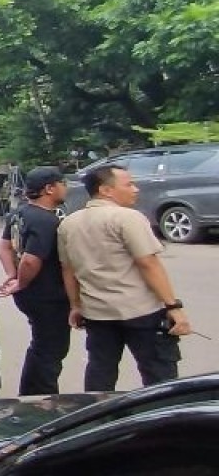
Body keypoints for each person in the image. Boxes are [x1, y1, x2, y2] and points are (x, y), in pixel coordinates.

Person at [58, 165, 192, 391]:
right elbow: (148, 263)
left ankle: (97, 417)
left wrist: (75, 305)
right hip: (141, 311)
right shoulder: (127, 217)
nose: (135, 189)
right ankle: (163, 420)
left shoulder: (69, 224)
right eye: (129, 184)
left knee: (100, 372)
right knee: (159, 375)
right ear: (106, 190)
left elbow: (68, 270)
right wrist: (173, 306)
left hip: (97, 313)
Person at [0, 167, 70, 395]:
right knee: (51, 349)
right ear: (49, 188)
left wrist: (12, 274)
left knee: (41, 345)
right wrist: (21, 281)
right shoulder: (46, 220)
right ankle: (42, 398)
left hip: (29, 294)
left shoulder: (19, 213)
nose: (65, 188)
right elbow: (30, 260)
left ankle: (31, 392)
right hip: (46, 294)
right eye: (62, 183)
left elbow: (4, 246)